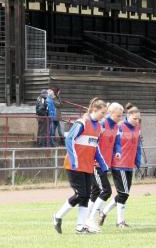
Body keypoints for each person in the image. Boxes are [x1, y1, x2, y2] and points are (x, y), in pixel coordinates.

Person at [52, 98, 108, 234]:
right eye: (102, 113)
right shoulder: (81, 122)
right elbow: (69, 139)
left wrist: (103, 164)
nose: (103, 116)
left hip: (88, 166)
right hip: (74, 165)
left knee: (86, 196)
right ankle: (57, 216)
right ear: (94, 110)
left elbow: (96, 148)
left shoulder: (99, 127)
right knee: (80, 194)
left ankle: (80, 227)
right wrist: (74, 159)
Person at [99, 103, 142, 229]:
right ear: (128, 116)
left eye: (138, 119)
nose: (137, 121)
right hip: (119, 164)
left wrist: (138, 161)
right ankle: (120, 222)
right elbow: (114, 144)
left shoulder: (137, 128)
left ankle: (104, 213)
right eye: (135, 118)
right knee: (123, 194)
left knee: (124, 193)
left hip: (129, 165)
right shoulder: (120, 126)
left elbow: (137, 146)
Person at [86, 102, 125, 232]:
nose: (120, 118)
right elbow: (94, 143)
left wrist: (118, 152)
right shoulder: (102, 124)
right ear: (110, 113)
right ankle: (91, 219)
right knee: (106, 191)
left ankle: (86, 219)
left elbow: (117, 143)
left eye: (121, 116)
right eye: (118, 116)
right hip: (96, 163)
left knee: (96, 192)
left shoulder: (117, 127)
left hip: (105, 163)